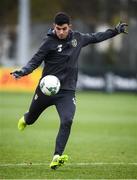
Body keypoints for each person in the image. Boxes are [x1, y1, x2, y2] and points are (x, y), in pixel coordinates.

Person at [10, 12, 128, 170]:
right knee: (31, 119)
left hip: (66, 91)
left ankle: (56, 156)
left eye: (64, 29)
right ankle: (26, 118)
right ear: (54, 27)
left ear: (69, 27)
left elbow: (96, 37)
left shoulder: (77, 38)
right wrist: (22, 72)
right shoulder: (48, 42)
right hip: (46, 90)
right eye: (58, 28)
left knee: (67, 120)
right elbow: (35, 60)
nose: (60, 32)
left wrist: (115, 31)